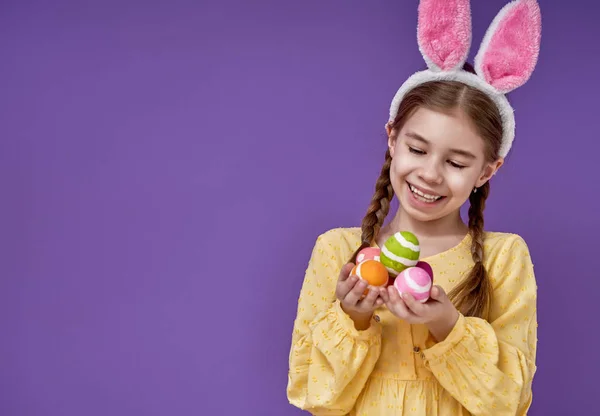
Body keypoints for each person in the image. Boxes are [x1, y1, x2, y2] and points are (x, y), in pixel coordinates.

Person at [286, 0, 542, 415]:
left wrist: (447, 325)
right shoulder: (338, 251)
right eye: (417, 149)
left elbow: (507, 404)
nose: (430, 174)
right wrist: (353, 320)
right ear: (392, 138)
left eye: (457, 163)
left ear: (487, 170)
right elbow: (312, 394)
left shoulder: (504, 258)